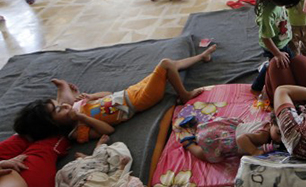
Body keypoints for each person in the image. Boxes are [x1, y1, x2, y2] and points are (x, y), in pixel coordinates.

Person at [17, 46, 216, 145]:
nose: (65, 106)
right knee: (166, 64)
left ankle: (200, 57)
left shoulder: (76, 107)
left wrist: (91, 96)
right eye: (59, 110)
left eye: (59, 104)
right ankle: (185, 94)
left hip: (131, 91)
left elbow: (109, 95)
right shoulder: (77, 131)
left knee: (169, 66)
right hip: (138, 101)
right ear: (53, 124)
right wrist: (83, 117)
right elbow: (108, 130)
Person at [251, 0, 302, 93]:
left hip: (281, 41)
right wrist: (277, 54)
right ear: (278, 0)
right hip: (275, 46)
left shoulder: (276, 1)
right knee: (272, 66)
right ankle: (256, 87)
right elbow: (266, 38)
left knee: (290, 61)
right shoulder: (267, 15)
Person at [181, 115, 281, 162]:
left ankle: (195, 127)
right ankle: (189, 144)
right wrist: (254, 151)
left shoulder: (267, 124)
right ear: (272, 123)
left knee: (209, 131)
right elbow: (241, 139)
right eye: (278, 133)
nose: (280, 139)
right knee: (207, 156)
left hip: (226, 128)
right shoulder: (263, 136)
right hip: (228, 139)